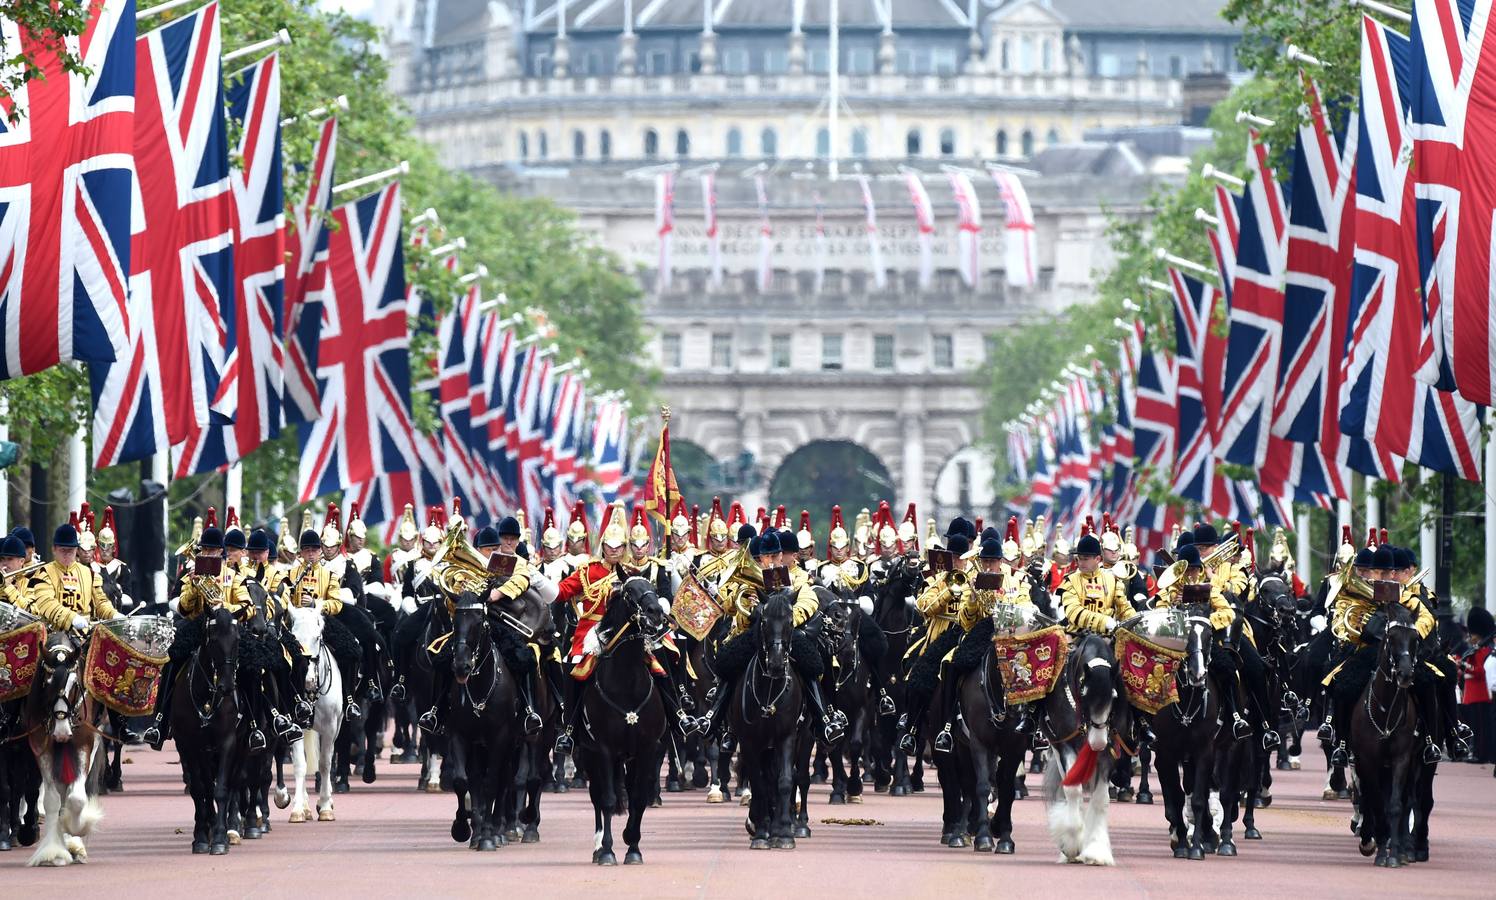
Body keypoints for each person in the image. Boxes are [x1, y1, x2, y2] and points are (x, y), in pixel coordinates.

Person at [551, 512, 694, 753]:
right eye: (610, 546)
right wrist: (537, 581)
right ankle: (570, 729)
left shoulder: (631, 573)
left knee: (663, 655)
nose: (614, 551)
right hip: (594, 630)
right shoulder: (588, 571)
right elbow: (561, 592)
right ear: (603, 546)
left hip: (630, 629)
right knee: (574, 665)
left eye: (619, 547)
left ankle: (676, 713)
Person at [697, 529, 847, 744]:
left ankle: (823, 720)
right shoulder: (748, 579)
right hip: (753, 633)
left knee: (811, 664)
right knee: (729, 661)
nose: (768, 561)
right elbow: (729, 606)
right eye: (763, 557)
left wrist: (787, 618)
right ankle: (716, 719)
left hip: (786, 634)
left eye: (773, 556)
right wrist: (743, 601)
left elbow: (809, 600)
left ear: (780, 555)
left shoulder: (798, 577)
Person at [899, 520, 975, 754]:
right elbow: (924, 606)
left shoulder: (977, 576)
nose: (957, 561)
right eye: (953, 556)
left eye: (960, 556)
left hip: (968, 635)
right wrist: (949, 590)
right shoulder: (939, 577)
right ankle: (911, 727)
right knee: (916, 672)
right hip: (939, 636)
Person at [25, 522, 118, 637]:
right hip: (52, 635)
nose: (67, 554)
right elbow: (47, 603)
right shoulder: (44, 573)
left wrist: (114, 615)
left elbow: (101, 603)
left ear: (77, 550)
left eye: (71, 550)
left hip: (84, 636)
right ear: (54, 549)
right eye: (63, 550)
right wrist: (71, 618)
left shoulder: (90, 574)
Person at [1057, 533, 1135, 637]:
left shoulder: (1113, 580)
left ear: (1097, 559)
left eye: (1085, 559)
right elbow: (1073, 612)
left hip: (1107, 637)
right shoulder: (1070, 581)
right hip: (1076, 637)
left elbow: (1124, 610)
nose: (1080, 563)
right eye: (1079, 558)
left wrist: (1136, 623)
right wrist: (1105, 622)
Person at [1460, 607, 1496, 764]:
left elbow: (1481, 671)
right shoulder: (1474, 650)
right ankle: (1477, 752)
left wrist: (1465, 667)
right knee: (1475, 727)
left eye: (1473, 634)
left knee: (1482, 728)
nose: (1470, 637)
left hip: (1481, 694)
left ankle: (1481, 755)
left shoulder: (1484, 651)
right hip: (1472, 694)